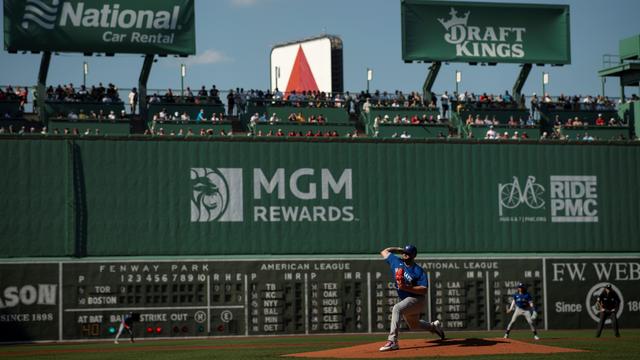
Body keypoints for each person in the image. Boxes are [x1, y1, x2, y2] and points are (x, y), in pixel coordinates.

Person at [378, 245, 444, 352]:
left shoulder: (418, 270)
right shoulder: (396, 261)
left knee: (397, 308)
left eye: (407, 253)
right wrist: (398, 249)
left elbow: (424, 289)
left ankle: (392, 341)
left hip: (417, 299)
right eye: (404, 252)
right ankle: (433, 327)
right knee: (414, 325)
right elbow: (384, 251)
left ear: (413, 256)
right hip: (407, 300)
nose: (405, 254)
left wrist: (406, 287)